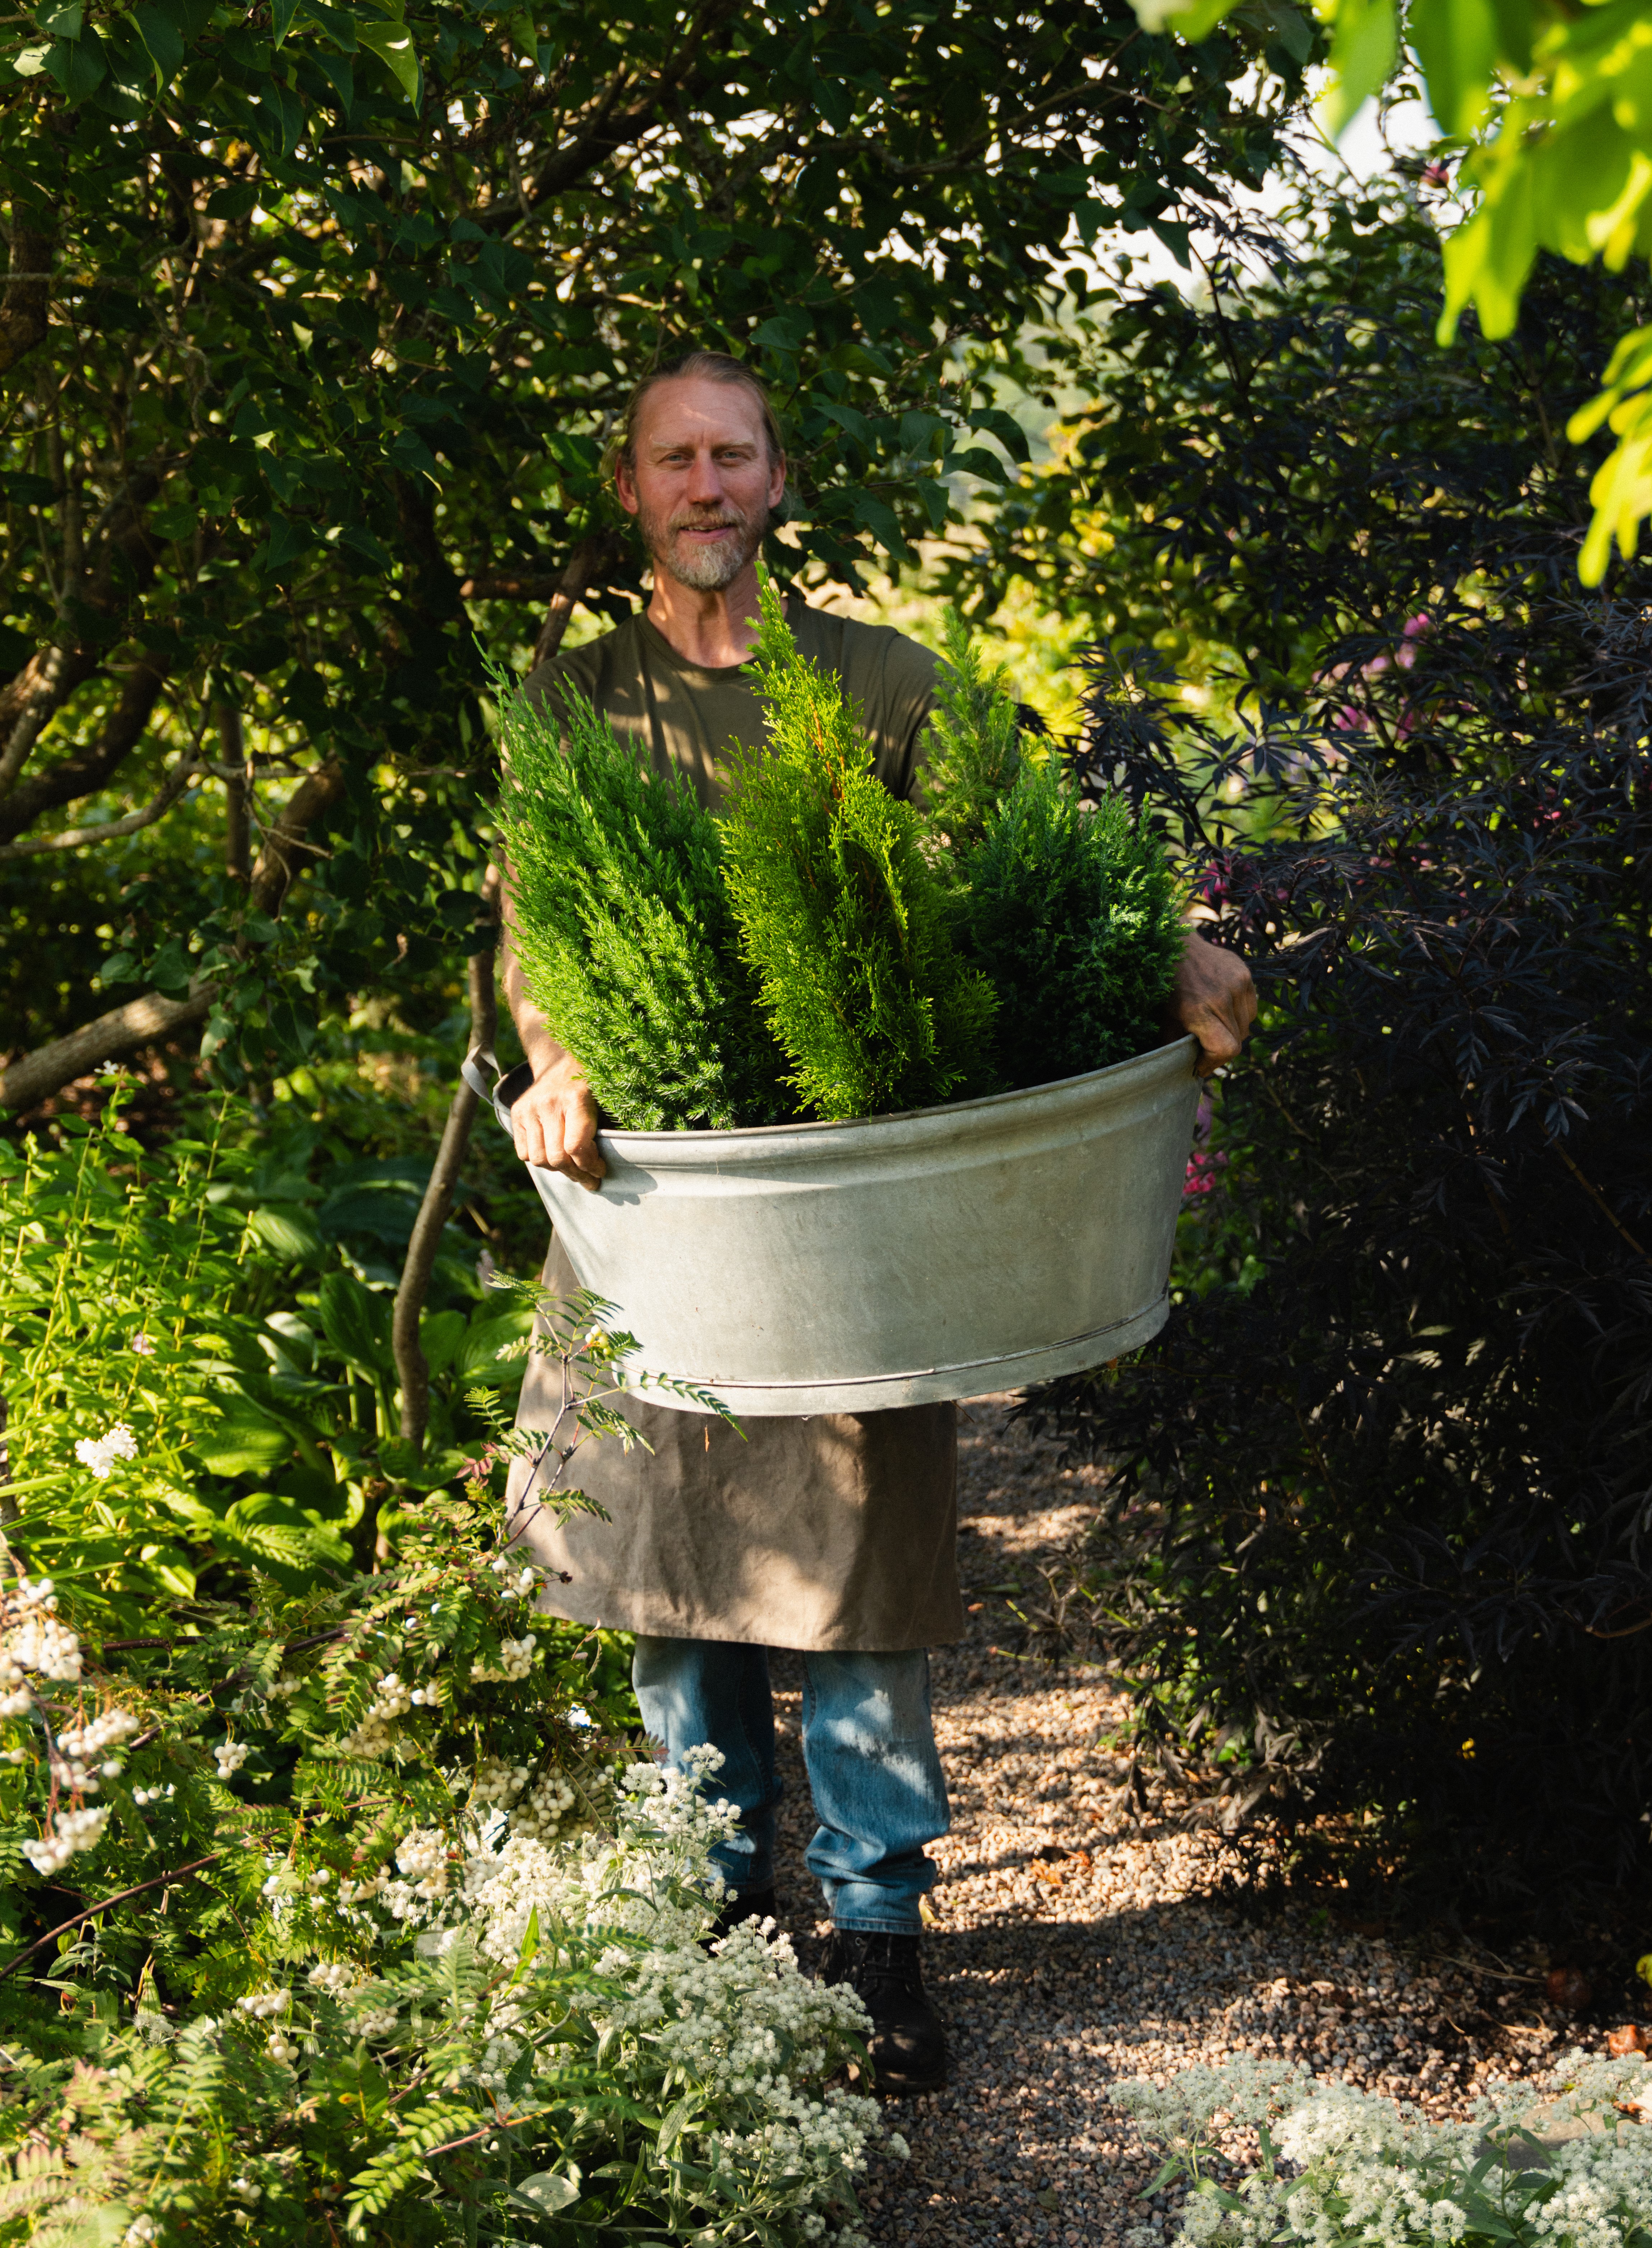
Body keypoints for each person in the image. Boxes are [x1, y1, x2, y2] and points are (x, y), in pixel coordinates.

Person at [503, 351, 1257, 2095]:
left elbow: (1031, 850)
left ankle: (878, 1944)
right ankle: (717, 1919)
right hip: (648, 1192)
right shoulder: (565, 711)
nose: (704, 486)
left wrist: (1173, 948)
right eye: (673, 461)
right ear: (632, 491)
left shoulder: (879, 682)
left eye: (733, 457)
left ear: (776, 487)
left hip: (839, 1213)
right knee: (670, 1579)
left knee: (857, 1571)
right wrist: (557, 1069)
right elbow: (542, 929)